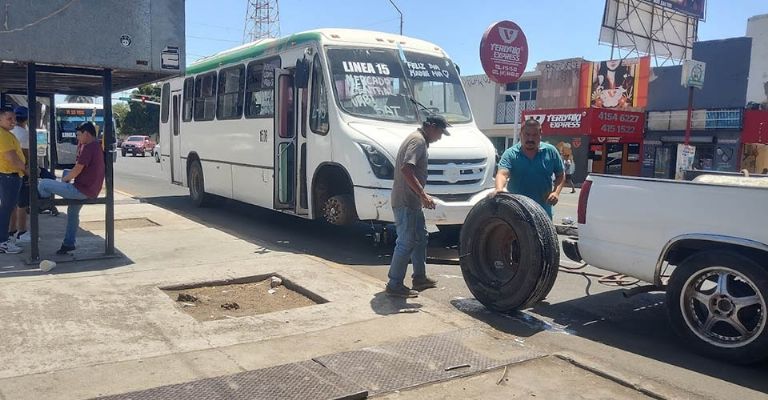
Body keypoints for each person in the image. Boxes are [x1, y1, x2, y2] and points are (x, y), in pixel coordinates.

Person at [385, 114, 449, 298]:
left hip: (410, 201)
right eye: (440, 132)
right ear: (431, 127)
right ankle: (394, 283)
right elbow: (406, 168)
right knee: (406, 242)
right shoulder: (418, 141)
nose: (440, 137)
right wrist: (423, 194)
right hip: (406, 201)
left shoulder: (418, 139)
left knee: (421, 237)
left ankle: (419, 277)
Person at [38, 122, 104, 254]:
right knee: (73, 214)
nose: (77, 138)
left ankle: (43, 203)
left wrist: (64, 181)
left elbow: (76, 170)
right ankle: (68, 244)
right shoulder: (96, 146)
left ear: (86, 134)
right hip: (89, 188)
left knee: (43, 183)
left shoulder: (88, 148)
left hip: (81, 190)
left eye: (78, 135)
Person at [491, 118, 565, 219]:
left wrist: (556, 192)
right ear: (520, 134)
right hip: (516, 213)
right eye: (527, 134)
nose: (530, 139)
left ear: (540, 135)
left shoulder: (550, 151)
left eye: (534, 135)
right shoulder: (510, 154)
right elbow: (502, 174)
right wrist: (499, 189)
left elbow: (560, 174)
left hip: (543, 212)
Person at [0, 107, 27, 254]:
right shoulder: (2, 135)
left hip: (10, 176)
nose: (13, 122)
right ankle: (2, 242)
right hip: (9, 176)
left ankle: (4, 239)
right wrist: (26, 169)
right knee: (6, 209)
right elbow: (12, 158)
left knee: (8, 208)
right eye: (9, 119)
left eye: (14, 119)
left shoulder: (7, 134)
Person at [9, 106, 30, 243]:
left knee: (11, 204)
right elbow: (26, 156)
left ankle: (11, 231)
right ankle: (22, 232)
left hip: (7, 172)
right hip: (21, 172)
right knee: (22, 203)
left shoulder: (8, 132)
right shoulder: (25, 134)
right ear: (27, 118)